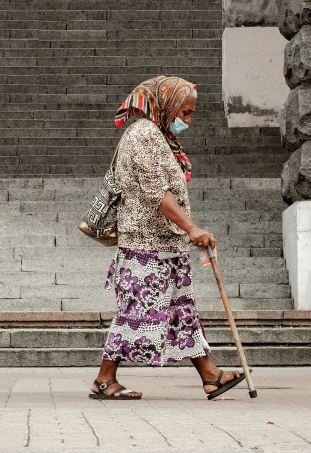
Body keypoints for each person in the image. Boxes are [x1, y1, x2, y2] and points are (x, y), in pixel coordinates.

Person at [89, 76, 248, 401]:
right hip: (145, 247)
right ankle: (105, 379)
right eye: (184, 113)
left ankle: (210, 375)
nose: (187, 121)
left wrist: (187, 231)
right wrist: (192, 228)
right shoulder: (145, 135)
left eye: (190, 114)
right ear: (167, 106)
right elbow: (156, 192)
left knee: (180, 312)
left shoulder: (158, 137)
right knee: (136, 312)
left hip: (165, 247)